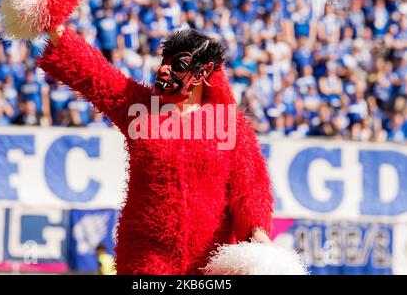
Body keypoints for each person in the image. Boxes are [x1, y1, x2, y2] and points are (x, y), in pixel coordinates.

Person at [38, 25, 274, 274]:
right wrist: (56, 30)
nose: (164, 70)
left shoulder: (228, 124)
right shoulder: (140, 109)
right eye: (165, 63)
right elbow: (98, 76)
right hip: (146, 259)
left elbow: (250, 186)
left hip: (210, 263)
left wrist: (257, 231)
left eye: (178, 66)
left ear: (203, 73)